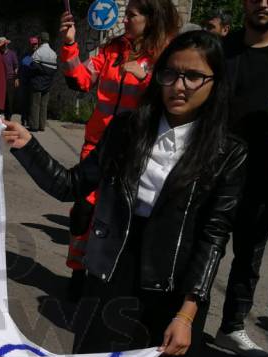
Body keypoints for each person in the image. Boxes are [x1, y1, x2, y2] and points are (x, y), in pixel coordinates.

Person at [5, 30, 244, 357]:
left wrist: (189, 310)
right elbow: (73, 185)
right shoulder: (128, 128)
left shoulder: (227, 151)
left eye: (192, 76)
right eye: (170, 72)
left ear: (214, 82)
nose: (178, 86)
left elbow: (213, 236)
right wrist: (27, 147)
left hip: (176, 291)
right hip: (113, 271)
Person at [59, 0, 179, 299]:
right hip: (97, 144)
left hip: (135, 149)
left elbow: (176, 97)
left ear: (151, 19)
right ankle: (77, 270)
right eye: (125, 16)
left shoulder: (167, 55)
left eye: (131, 16)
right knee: (84, 209)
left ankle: (112, 279)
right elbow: (81, 79)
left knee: (119, 214)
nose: (125, 21)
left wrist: (147, 78)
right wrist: (70, 44)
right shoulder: (112, 49)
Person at [212, 0, 268, 357]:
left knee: (249, 254)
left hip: (263, 171)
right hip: (213, 167)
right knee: (200, 246)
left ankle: (232, 326)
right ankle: (182, 316)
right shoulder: (221, 50)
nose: (263, 3)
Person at [28, 31, 57, 131]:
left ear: (40, 40)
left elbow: (29, 65)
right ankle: (42, 126)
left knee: (35, 104)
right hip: (48, 83)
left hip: (37, 83)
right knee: (44, 105)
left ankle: (34, 126)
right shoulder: (53, 53)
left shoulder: (38, 52)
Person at [0, 36, 19, 121]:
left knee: (9, 100)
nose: (5, 45)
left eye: (5, 44)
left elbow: (16, 67)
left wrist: (16, 78)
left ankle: (8, 118)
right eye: (3, 44)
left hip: (9, 79)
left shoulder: (12, 54)